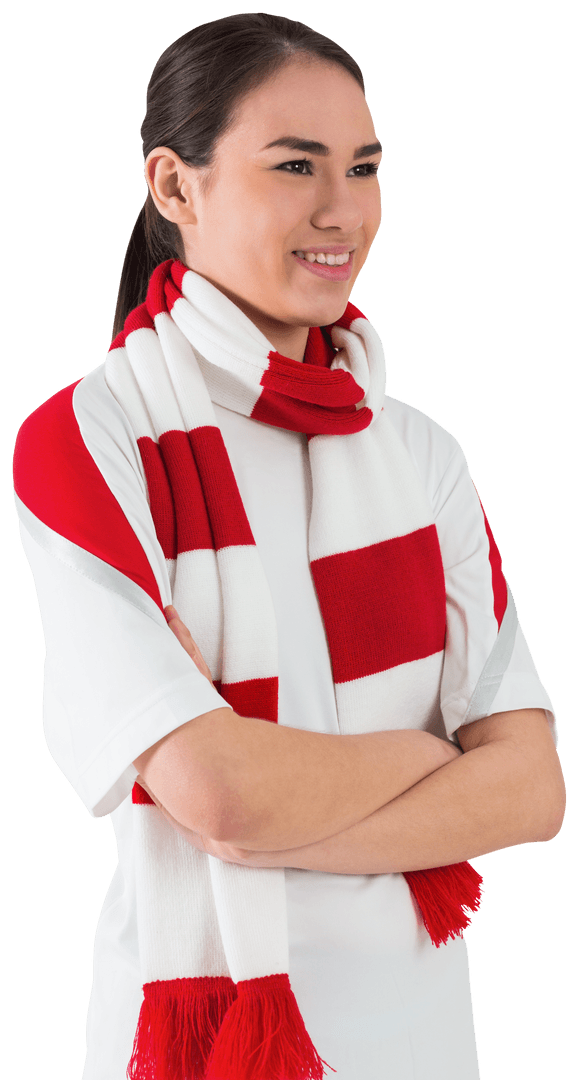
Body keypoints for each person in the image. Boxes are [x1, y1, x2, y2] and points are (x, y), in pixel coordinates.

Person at [12, 12, 565, 1080]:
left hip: (419, 1040)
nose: (341, 209)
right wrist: (431, 761)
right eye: (295, 165)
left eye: (363, 168)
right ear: (175, 188)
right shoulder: (90, 440)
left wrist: (265, 812)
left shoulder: (420, 453)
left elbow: (531, 791)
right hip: (202, 1044)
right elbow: (221, 795)